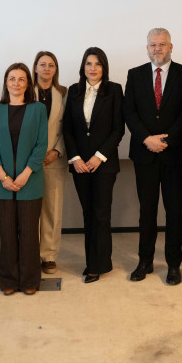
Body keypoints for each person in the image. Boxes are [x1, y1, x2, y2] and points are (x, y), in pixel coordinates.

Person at [124, 28, 182, 285]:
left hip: (174, 155)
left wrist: (166, 140)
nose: (157, 48)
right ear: (147, 48)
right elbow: (129, 112)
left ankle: (174, 265)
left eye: (162, 44)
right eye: (153, 44)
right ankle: (145, 261)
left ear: (171, 47)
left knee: (174, 212)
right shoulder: (134, 75)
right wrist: (147, 139)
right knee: (147, 211)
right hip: (144, 155)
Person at [0, 63, 48, 295]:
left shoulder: (38, 109)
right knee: (8, 234)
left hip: (30, 182)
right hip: (2, 183)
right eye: (12, 78)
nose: (16, 83)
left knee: (30, 234)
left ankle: (30, 280)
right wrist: (2, 176)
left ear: (28, 83)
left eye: (22, 79)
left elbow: (41, 144)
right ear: (6, 82)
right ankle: (9, 280)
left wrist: (25, 174)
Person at [63, 47, 125, 283]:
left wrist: (99, 156)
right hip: (80, 164)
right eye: (89, 63)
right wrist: (75, 158)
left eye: (98, 64)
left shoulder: (114, 90)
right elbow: (68, 128)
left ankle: (98, 266)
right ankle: (92, 262)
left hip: (104, 164)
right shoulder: (74, 90)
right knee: (87, 214)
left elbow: (118, 129)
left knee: (101, 214)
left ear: (104, 67)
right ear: (83, 67)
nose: (93, 68)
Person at [32, 52, 68, 275]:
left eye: (51, 65)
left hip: (54, 158)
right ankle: (30, 253)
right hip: (29, 161)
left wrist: (57, 151)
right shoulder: (25, 91)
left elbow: (69, 127)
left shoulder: (64, 93)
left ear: (56, 69)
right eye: (42, 64)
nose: (46, 68)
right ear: (35, 67)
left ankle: (49, 256)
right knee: (30, 210)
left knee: (52, 210)